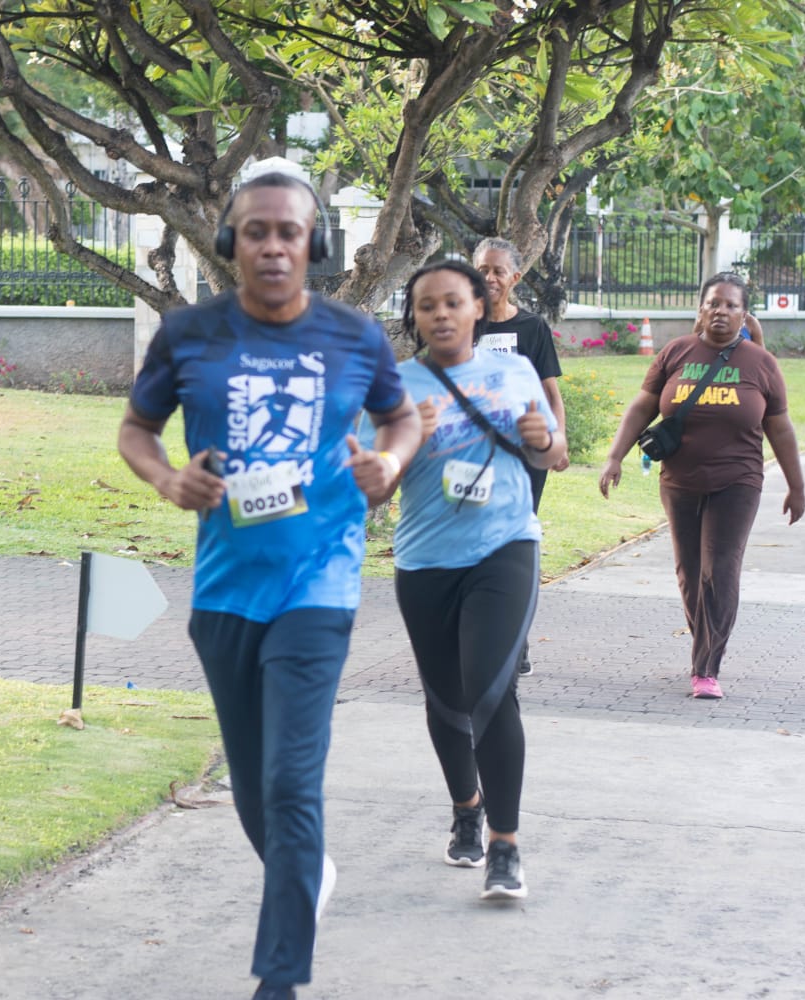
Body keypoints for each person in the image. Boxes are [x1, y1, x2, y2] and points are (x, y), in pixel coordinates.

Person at [117, 170, 421, 1000]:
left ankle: (280, 980)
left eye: (290, 232)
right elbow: (137, 429)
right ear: (231, 244)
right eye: (257, 231)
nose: (275, 246)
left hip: (319, 583)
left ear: (314, 246)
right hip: (223, 590)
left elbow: (403, 415)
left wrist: (388, 464)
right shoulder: (188, 335)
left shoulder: (355, 337)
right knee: (252, 785)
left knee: (292, 778)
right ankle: (306, 870)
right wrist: (167, 480)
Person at [362, 259, 566, 901]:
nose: (441, 315)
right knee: (446, 701)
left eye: (454, 302)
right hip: (425, 561)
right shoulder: (396, 387)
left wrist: (542, 440)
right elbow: (374, 489)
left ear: (478, 306)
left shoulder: (514, 369)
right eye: (427, 306)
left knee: (490, 691)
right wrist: (406, 442)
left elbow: (552, 454)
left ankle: (505, 845)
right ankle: (466, 807)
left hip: (505, 546)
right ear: (415, 317)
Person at [598, 272, 805, 700]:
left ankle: (706, 666)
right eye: (714, 303)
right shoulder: (676, 352)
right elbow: (642, 405)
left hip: (738, 480)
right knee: (690, 573)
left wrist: (796, 486)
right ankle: (705, 641)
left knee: (720, 569)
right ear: (701, 309)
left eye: (731, 305)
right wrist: (614, 456)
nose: (721, 312)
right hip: (680, 480)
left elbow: (780, 428)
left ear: (743, 314)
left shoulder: (761, 363)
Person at [471, 237, 567, 678]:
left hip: (522, 456)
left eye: (497, 271)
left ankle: (514, 643)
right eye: (482, 269)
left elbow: (550, 391)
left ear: (516, 276)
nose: (489, 278)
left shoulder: (531, 329)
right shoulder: (461, 324)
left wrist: (557, 440)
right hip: (470, 453)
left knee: (513, 545)